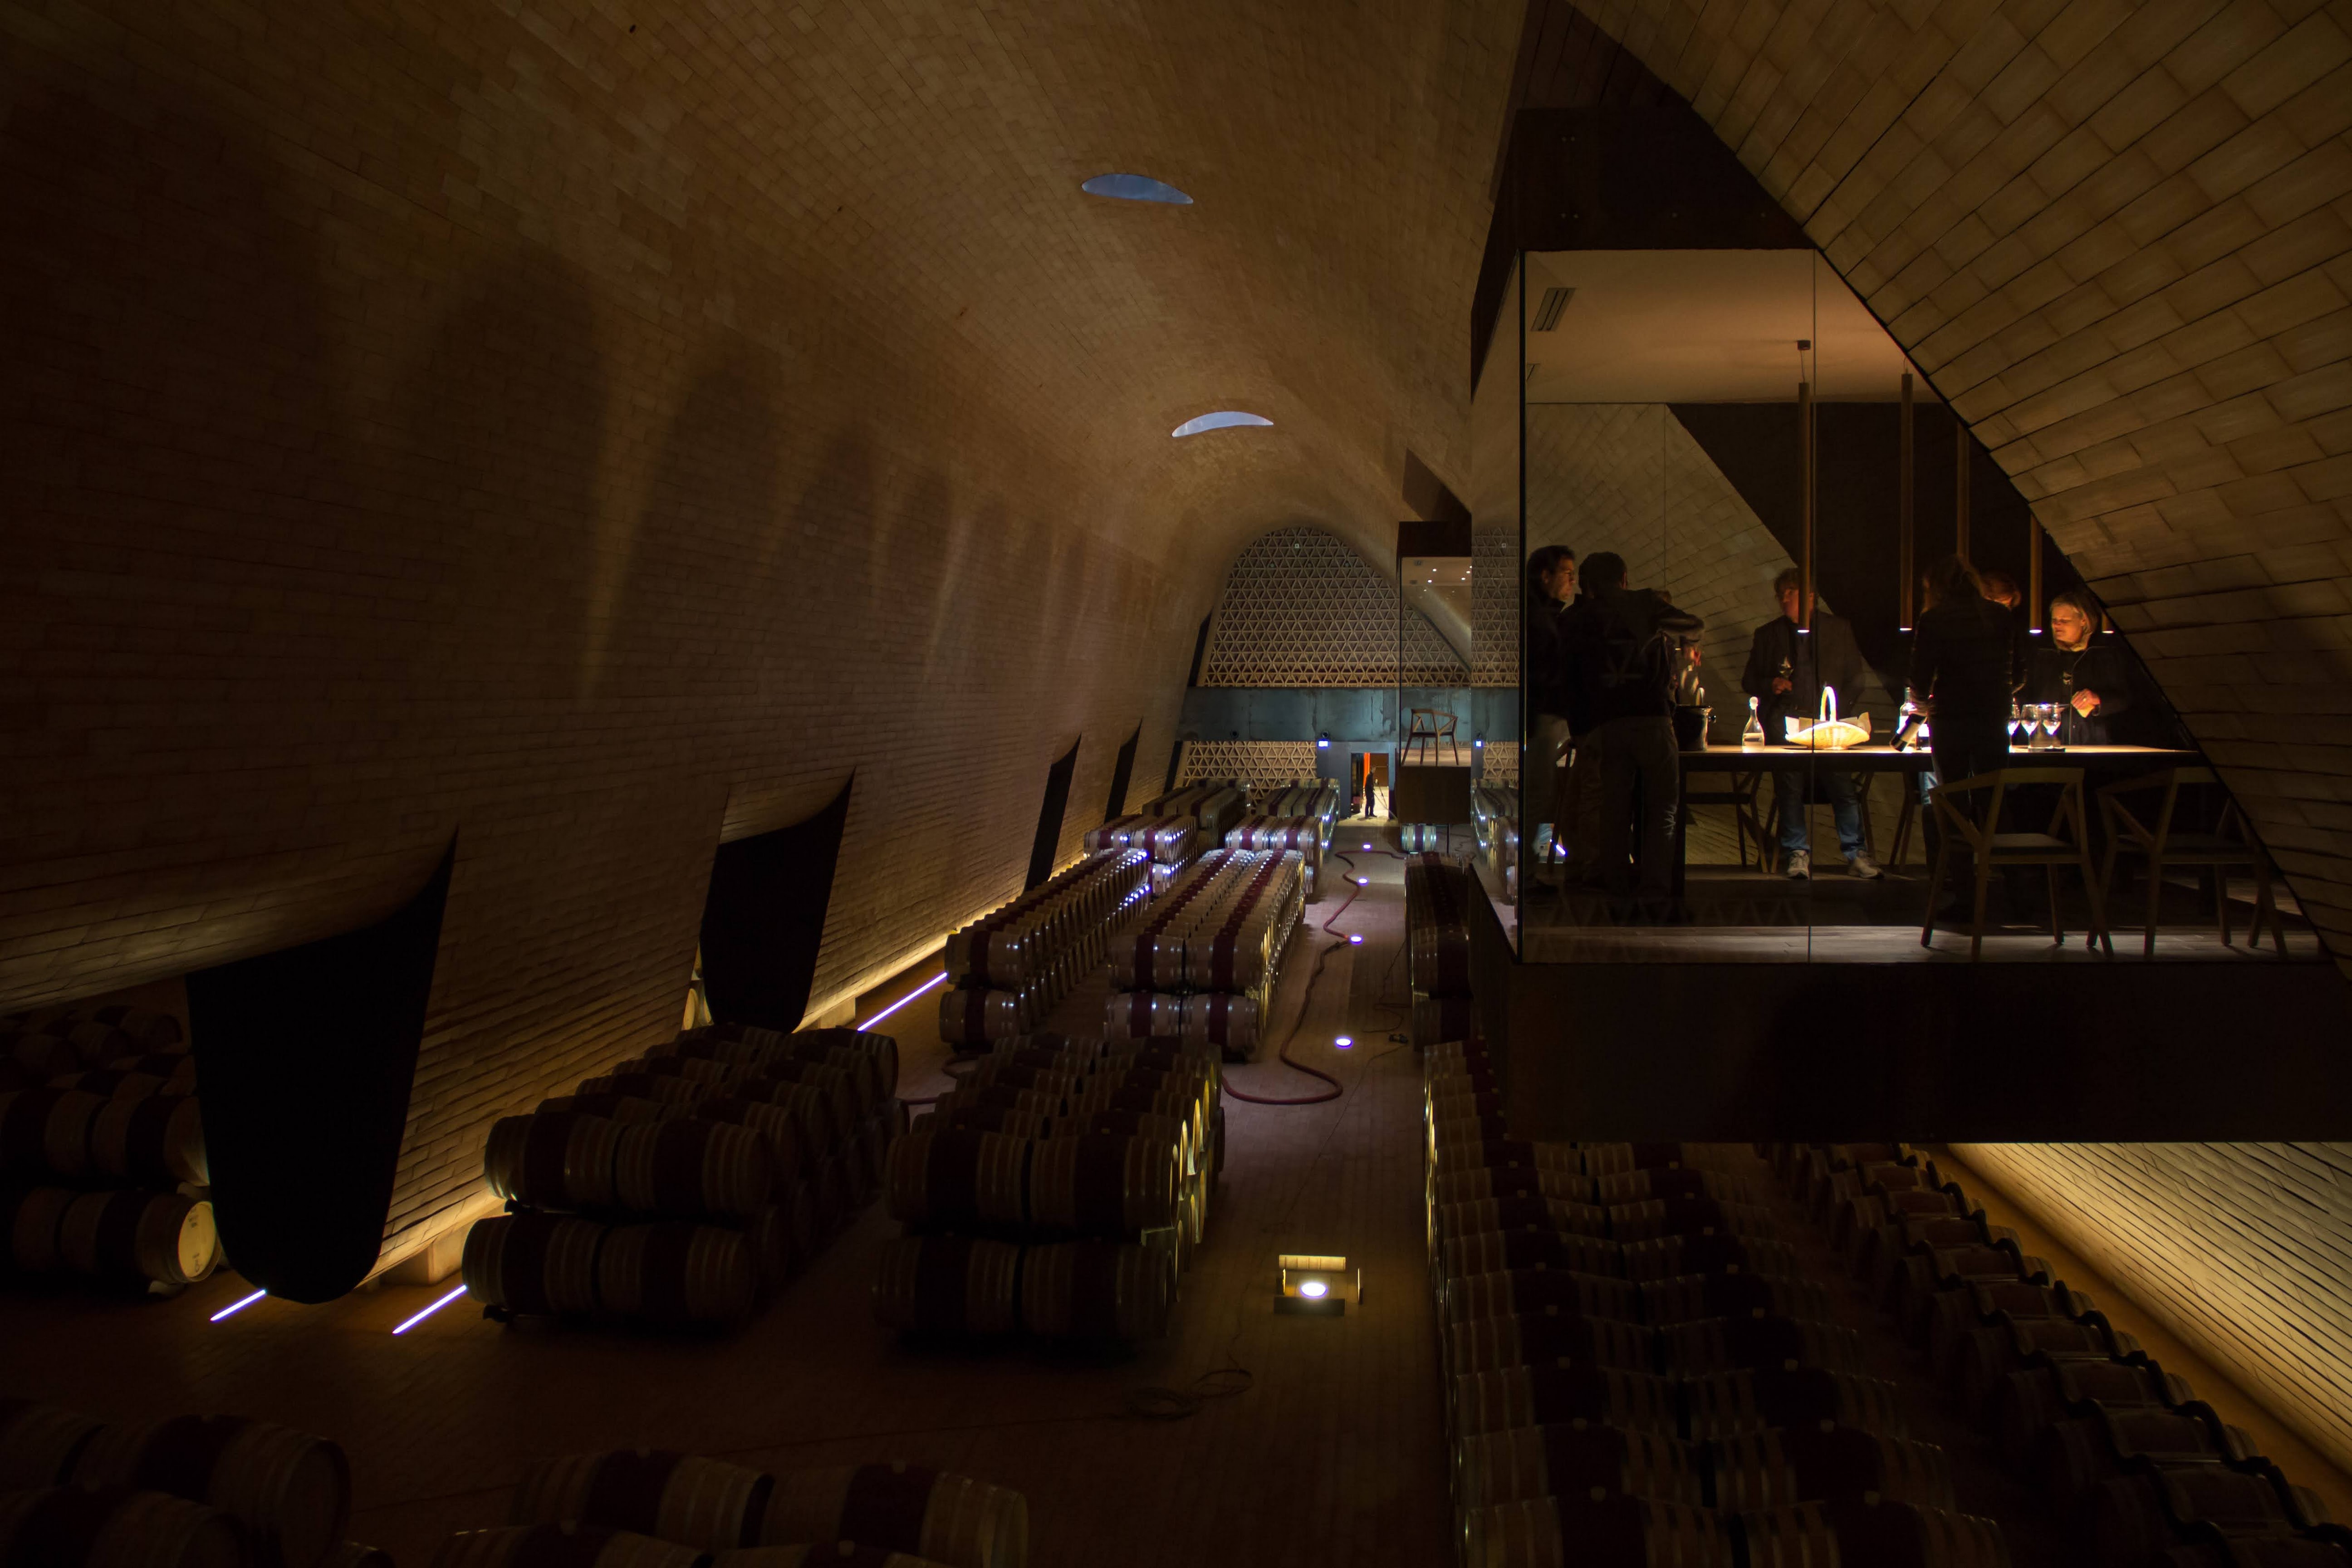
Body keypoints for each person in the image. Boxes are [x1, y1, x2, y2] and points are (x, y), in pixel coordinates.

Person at [1562, 552, 1701, 904]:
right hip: (1654, 719)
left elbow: (1571, 674)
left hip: (1610, 723)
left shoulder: (1581, 616)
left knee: (1614, 808)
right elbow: (1694, 625)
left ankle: (1616, 886)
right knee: (1662, 807)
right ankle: (1655, 889)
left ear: (1588, 584)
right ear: (1625, 578)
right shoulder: (1645, 603)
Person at [1740, 568, 1877, 879]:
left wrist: (1838, 711)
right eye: (1781, 593)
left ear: (1810, 596)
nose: (1784, 598)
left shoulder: (1837, 629)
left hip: (1828, 724)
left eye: (1791, 591)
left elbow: (1856, 678)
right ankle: (1797, 853)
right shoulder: (1768, 634)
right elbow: (1749, 679)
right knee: (1789, 787)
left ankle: (1856, 854)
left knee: (1843, 786)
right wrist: (1770, 684)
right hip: (1786, 722)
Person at [1907, 555, 2017, 793]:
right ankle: (1989, 831)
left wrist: (1923, 706)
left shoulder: (1933, 619)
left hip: (1950, 717)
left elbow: (1920, 677)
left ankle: (1956, 831)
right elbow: (2020, 672)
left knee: (1951, 792)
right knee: (1993, 793)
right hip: (1993, 716)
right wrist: (2001, 693)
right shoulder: (2001, 615)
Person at [1521, 545, 1577, 893]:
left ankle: (1527, 876)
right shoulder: (1536, 615)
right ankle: (1525, 879)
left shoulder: (1542, 612)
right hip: (1541, 716)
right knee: (1537, 796)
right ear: (1546, 576)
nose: (1572, 581)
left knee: (1540, 796)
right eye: (1567, 573)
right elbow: (1544, 671)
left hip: (1543, 715)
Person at [2024, 588, 2137, 746]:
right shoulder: (2043, 656)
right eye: (2054, 620)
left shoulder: (2103, 655)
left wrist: (2098, 699)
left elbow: (2125, 699)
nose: (2057, 625)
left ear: (2084, 621)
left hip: (2091, 744)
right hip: (2047, 744)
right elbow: (2027, 697)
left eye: (2064, 620)